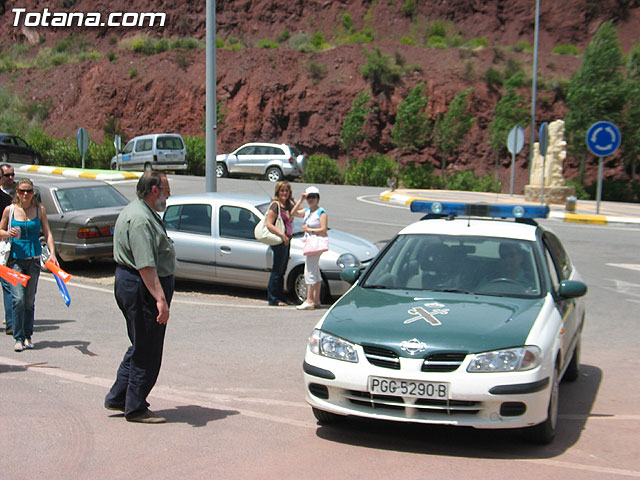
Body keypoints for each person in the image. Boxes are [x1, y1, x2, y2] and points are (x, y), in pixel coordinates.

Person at [104, 171, 175, 424]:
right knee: (148, 350)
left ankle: (118, 396)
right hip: (141, 287)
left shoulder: (139, 211)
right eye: (166, 190)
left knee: (140, 344)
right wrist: (160, 299)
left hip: (134, 284)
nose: (169, 194)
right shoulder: (141, 219)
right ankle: (135, 407)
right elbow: (146, 265)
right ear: (154, 190)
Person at [0, 178, 58, 352]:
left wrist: (53, 253)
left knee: (29, 301)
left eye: (29, 191)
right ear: (17, 192)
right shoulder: (9, 210)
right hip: (15, 261)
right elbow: (0, 231)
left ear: (33, 193)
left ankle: (27, 336)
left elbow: (47, 233)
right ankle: (18, 337)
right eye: (22, 191)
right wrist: (7, 233)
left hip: (33, 260)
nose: (26, 194)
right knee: (18, 299)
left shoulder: (40, 210)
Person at [265, 181, 304, 306]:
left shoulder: (288, 205)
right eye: (282, 191)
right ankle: (273, 299)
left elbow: (303, 212)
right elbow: (269, 224)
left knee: (282, 271)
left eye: (286, 191)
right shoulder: (275, 206)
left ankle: (281, 297)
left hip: (287, 240)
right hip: (279, 240)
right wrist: (282, 235)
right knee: (277, 270)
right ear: (278, 192)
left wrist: (294, 199)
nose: (284, 193)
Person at [296, 186, 328, 310]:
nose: (311, 199)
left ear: (318, 198)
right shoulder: (307, 211)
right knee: (314, 271)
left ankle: (309, 300)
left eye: (313, 197)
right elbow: (293, 213)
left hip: (315, 243)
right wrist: (300, 200)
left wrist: (309, 229)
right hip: (310, 242)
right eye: (309, 197)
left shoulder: (321, 212)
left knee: (309, 270)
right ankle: (316, 299)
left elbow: (324, 229)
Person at [0, 164, 14, 335]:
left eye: (12, 175)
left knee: (8, 284)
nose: (10, 178)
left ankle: (11, 323)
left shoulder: (12, 198)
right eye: (7, 175)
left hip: (6, 246)